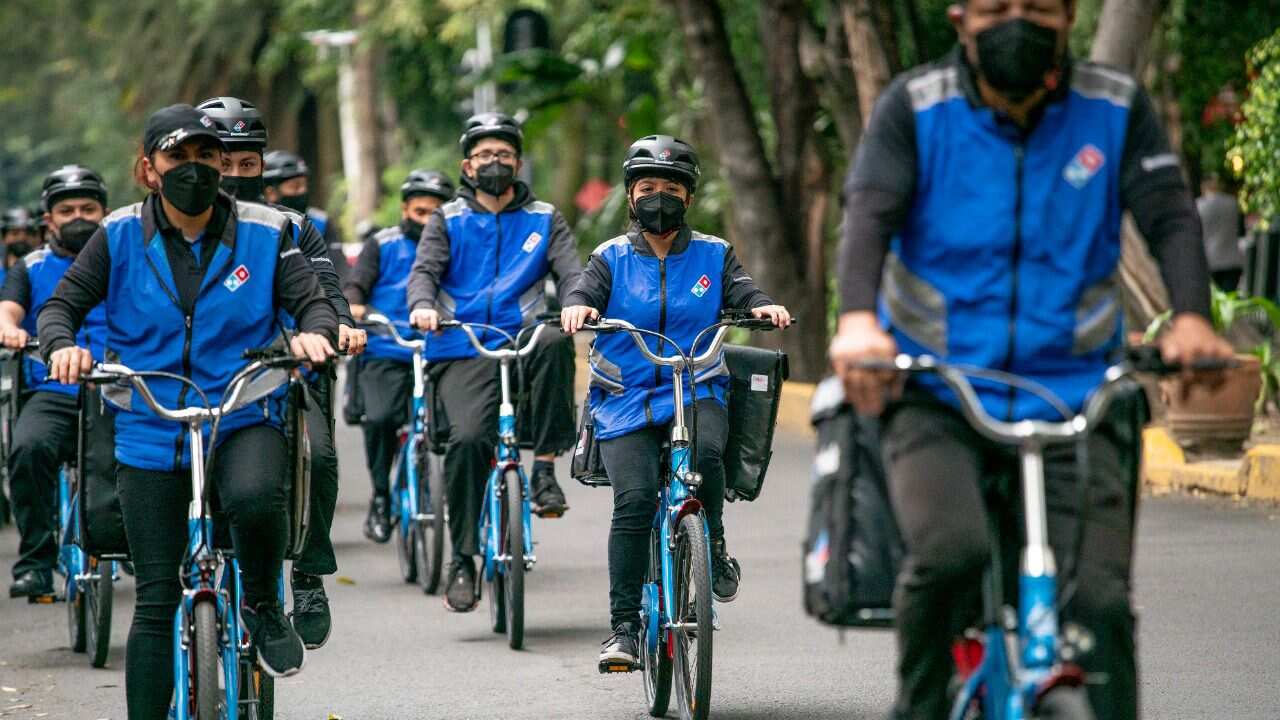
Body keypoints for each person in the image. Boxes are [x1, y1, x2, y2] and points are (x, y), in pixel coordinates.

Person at [826, 2, 1234, 718]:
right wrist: (858, 322)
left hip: (1080, 395)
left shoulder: (1115, 107)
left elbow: (1169, 215)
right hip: (939, 391)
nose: (1017, 22)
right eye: (996, 8)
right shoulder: (914, 107)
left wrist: (1193, 320)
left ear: (1069, 16)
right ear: (960, 18)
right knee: (949, 557)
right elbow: (869, 215)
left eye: (1037, 6)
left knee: (1099, 603)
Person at [38, 104, 337, 714]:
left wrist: (315, 334)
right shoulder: (118, 234)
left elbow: (312, 302)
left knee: (257, 499)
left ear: (222, 165)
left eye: (206, 156)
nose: (193, 169)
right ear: (149, 169)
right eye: (177, 157)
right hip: (150, 423)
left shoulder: (265, 231)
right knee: (155, 600)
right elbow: (61, 307)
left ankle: (262, 603)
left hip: (243, 409)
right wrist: (62, 346)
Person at [560, 135, 791, 670]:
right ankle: (624, 628)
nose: (658, 197)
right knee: (635, 500)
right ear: (630, 195)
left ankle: (713, 544)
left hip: (696, 384)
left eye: (670, 188)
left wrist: (762, 306)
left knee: (707, 456)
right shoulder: (610, 257)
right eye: (647, 188)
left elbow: (743, 291)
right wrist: (577, 309)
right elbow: (582, 293)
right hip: (625, 397)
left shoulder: (714, 253)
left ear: (688, 197)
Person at [197, 95, 365, 650]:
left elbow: (326, 293)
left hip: (286, 372)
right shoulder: (171, 228)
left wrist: (339, 328)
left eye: (247, 164)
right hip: (196, 379)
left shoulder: (291, 227)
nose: (234, 175)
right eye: (223, 162)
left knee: (318, 455)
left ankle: (308, 575)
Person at [408, 111, 580, 612]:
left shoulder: (545, 218)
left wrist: (575, 302)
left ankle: (544, 470)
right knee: (466, 441)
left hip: (523, 335)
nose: (494, 162)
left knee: (555, 339)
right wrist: (422, 306)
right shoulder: (447, 219)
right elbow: (424, 272)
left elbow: (571, 272)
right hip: (461, 344)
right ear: (467, 166)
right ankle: (463, 559)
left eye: (504, 154)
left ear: (519, 164)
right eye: (484, 155)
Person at [1, 164, 113, 599]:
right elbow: (8, 309)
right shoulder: (30, 267)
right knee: (27, 449)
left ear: (104, 212)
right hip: (53, 389)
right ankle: (36, 563)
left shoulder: (127, 258)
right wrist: (9, 329)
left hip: (119, 387)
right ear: (48, 219)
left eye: (88, 208)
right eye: (67, 211)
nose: (78, 217)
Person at [345, 169, 453, 542]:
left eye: (435, 214)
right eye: (421, 212)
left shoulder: (456, 243)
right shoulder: (382, 244)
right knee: (379, 419)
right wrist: (355, 307)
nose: (427, 221)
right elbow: (355, 287)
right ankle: (380, 495)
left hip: (441, 350)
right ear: (405, 209)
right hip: (386, 348)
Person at [263, 149, 349, 283]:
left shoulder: (321, 222)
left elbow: (339, 270)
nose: (302, 191)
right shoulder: (256, 226)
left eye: (304, 185)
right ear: (270, 193)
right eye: (295, 187)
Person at [1197, 173, 1245, 291]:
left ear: (1203, 187)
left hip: (1208, 262)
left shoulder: (1197, 205)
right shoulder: (1233, 203)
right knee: (1230, 297)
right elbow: (1241, 231)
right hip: (1232, 261)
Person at [1, 207, 43, 278]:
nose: (22, 238)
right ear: (3, 237)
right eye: (15, 233)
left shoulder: (44, 270)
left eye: (28, 232)